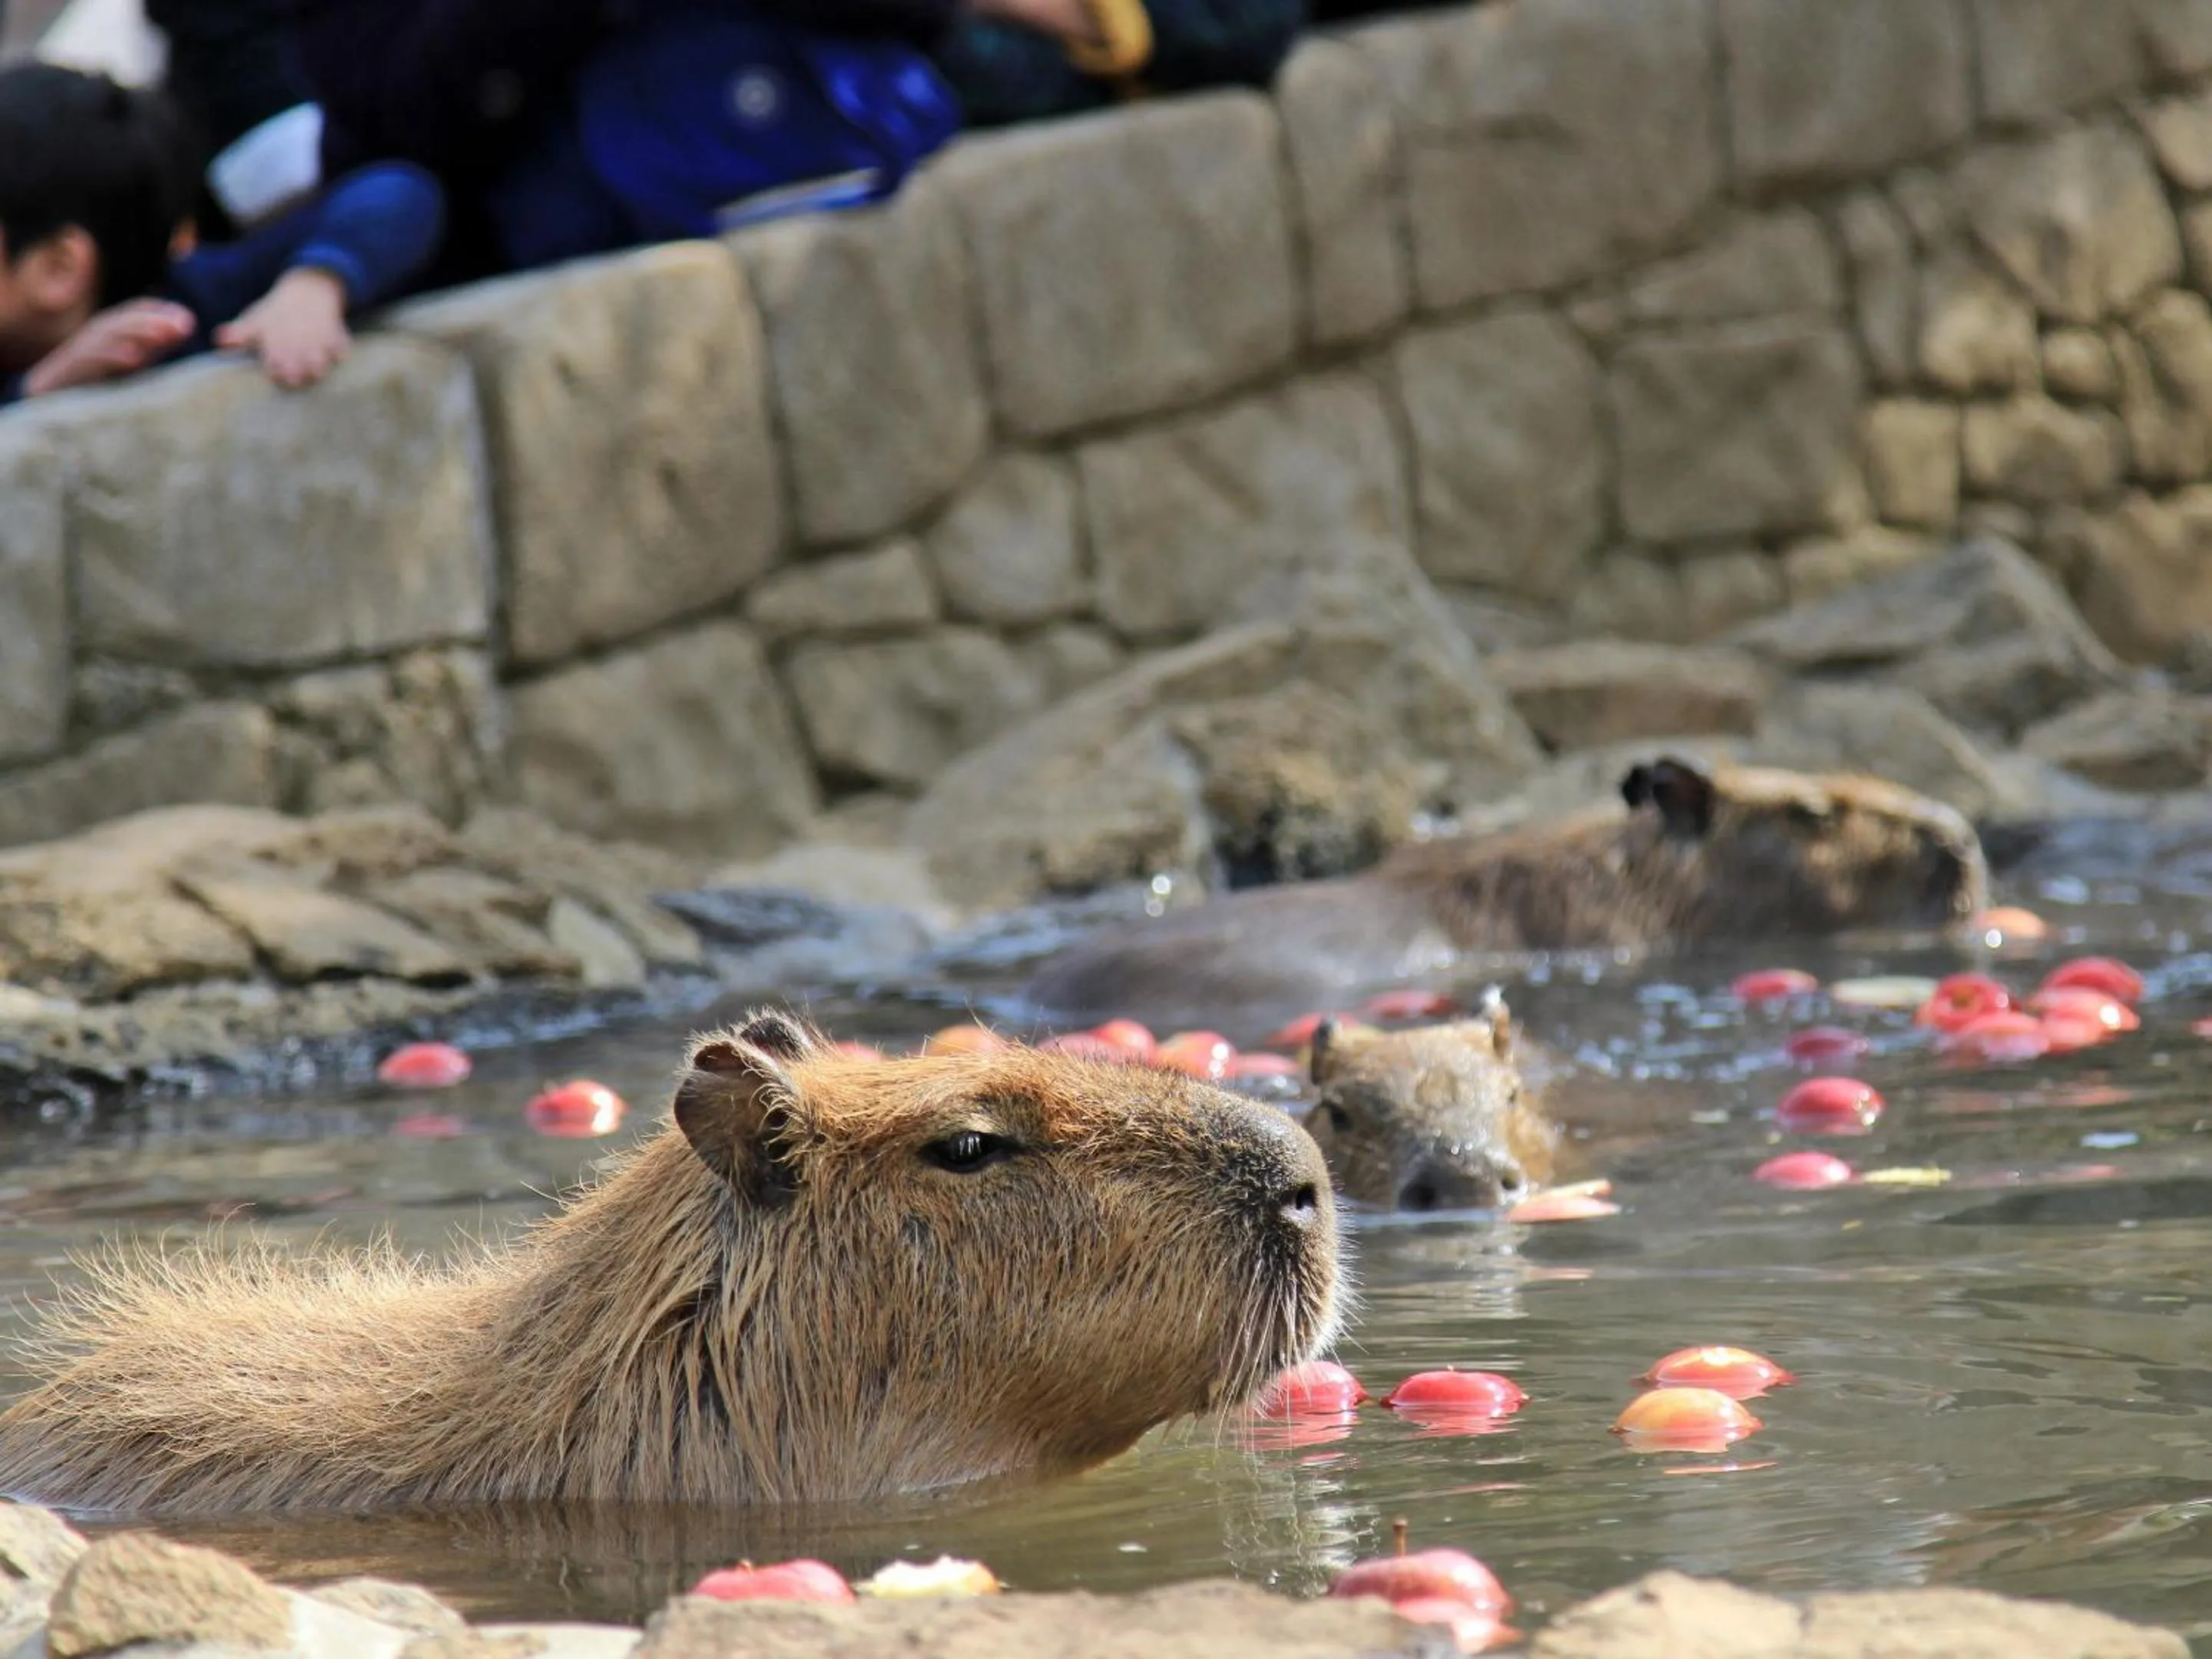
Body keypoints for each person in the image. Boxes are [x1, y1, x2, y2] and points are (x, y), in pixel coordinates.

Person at [0, 61, 443, 402]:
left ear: (57, 268)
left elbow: (399, 193)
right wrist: (36, 390)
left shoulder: (188, 310)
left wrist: (316, 284)